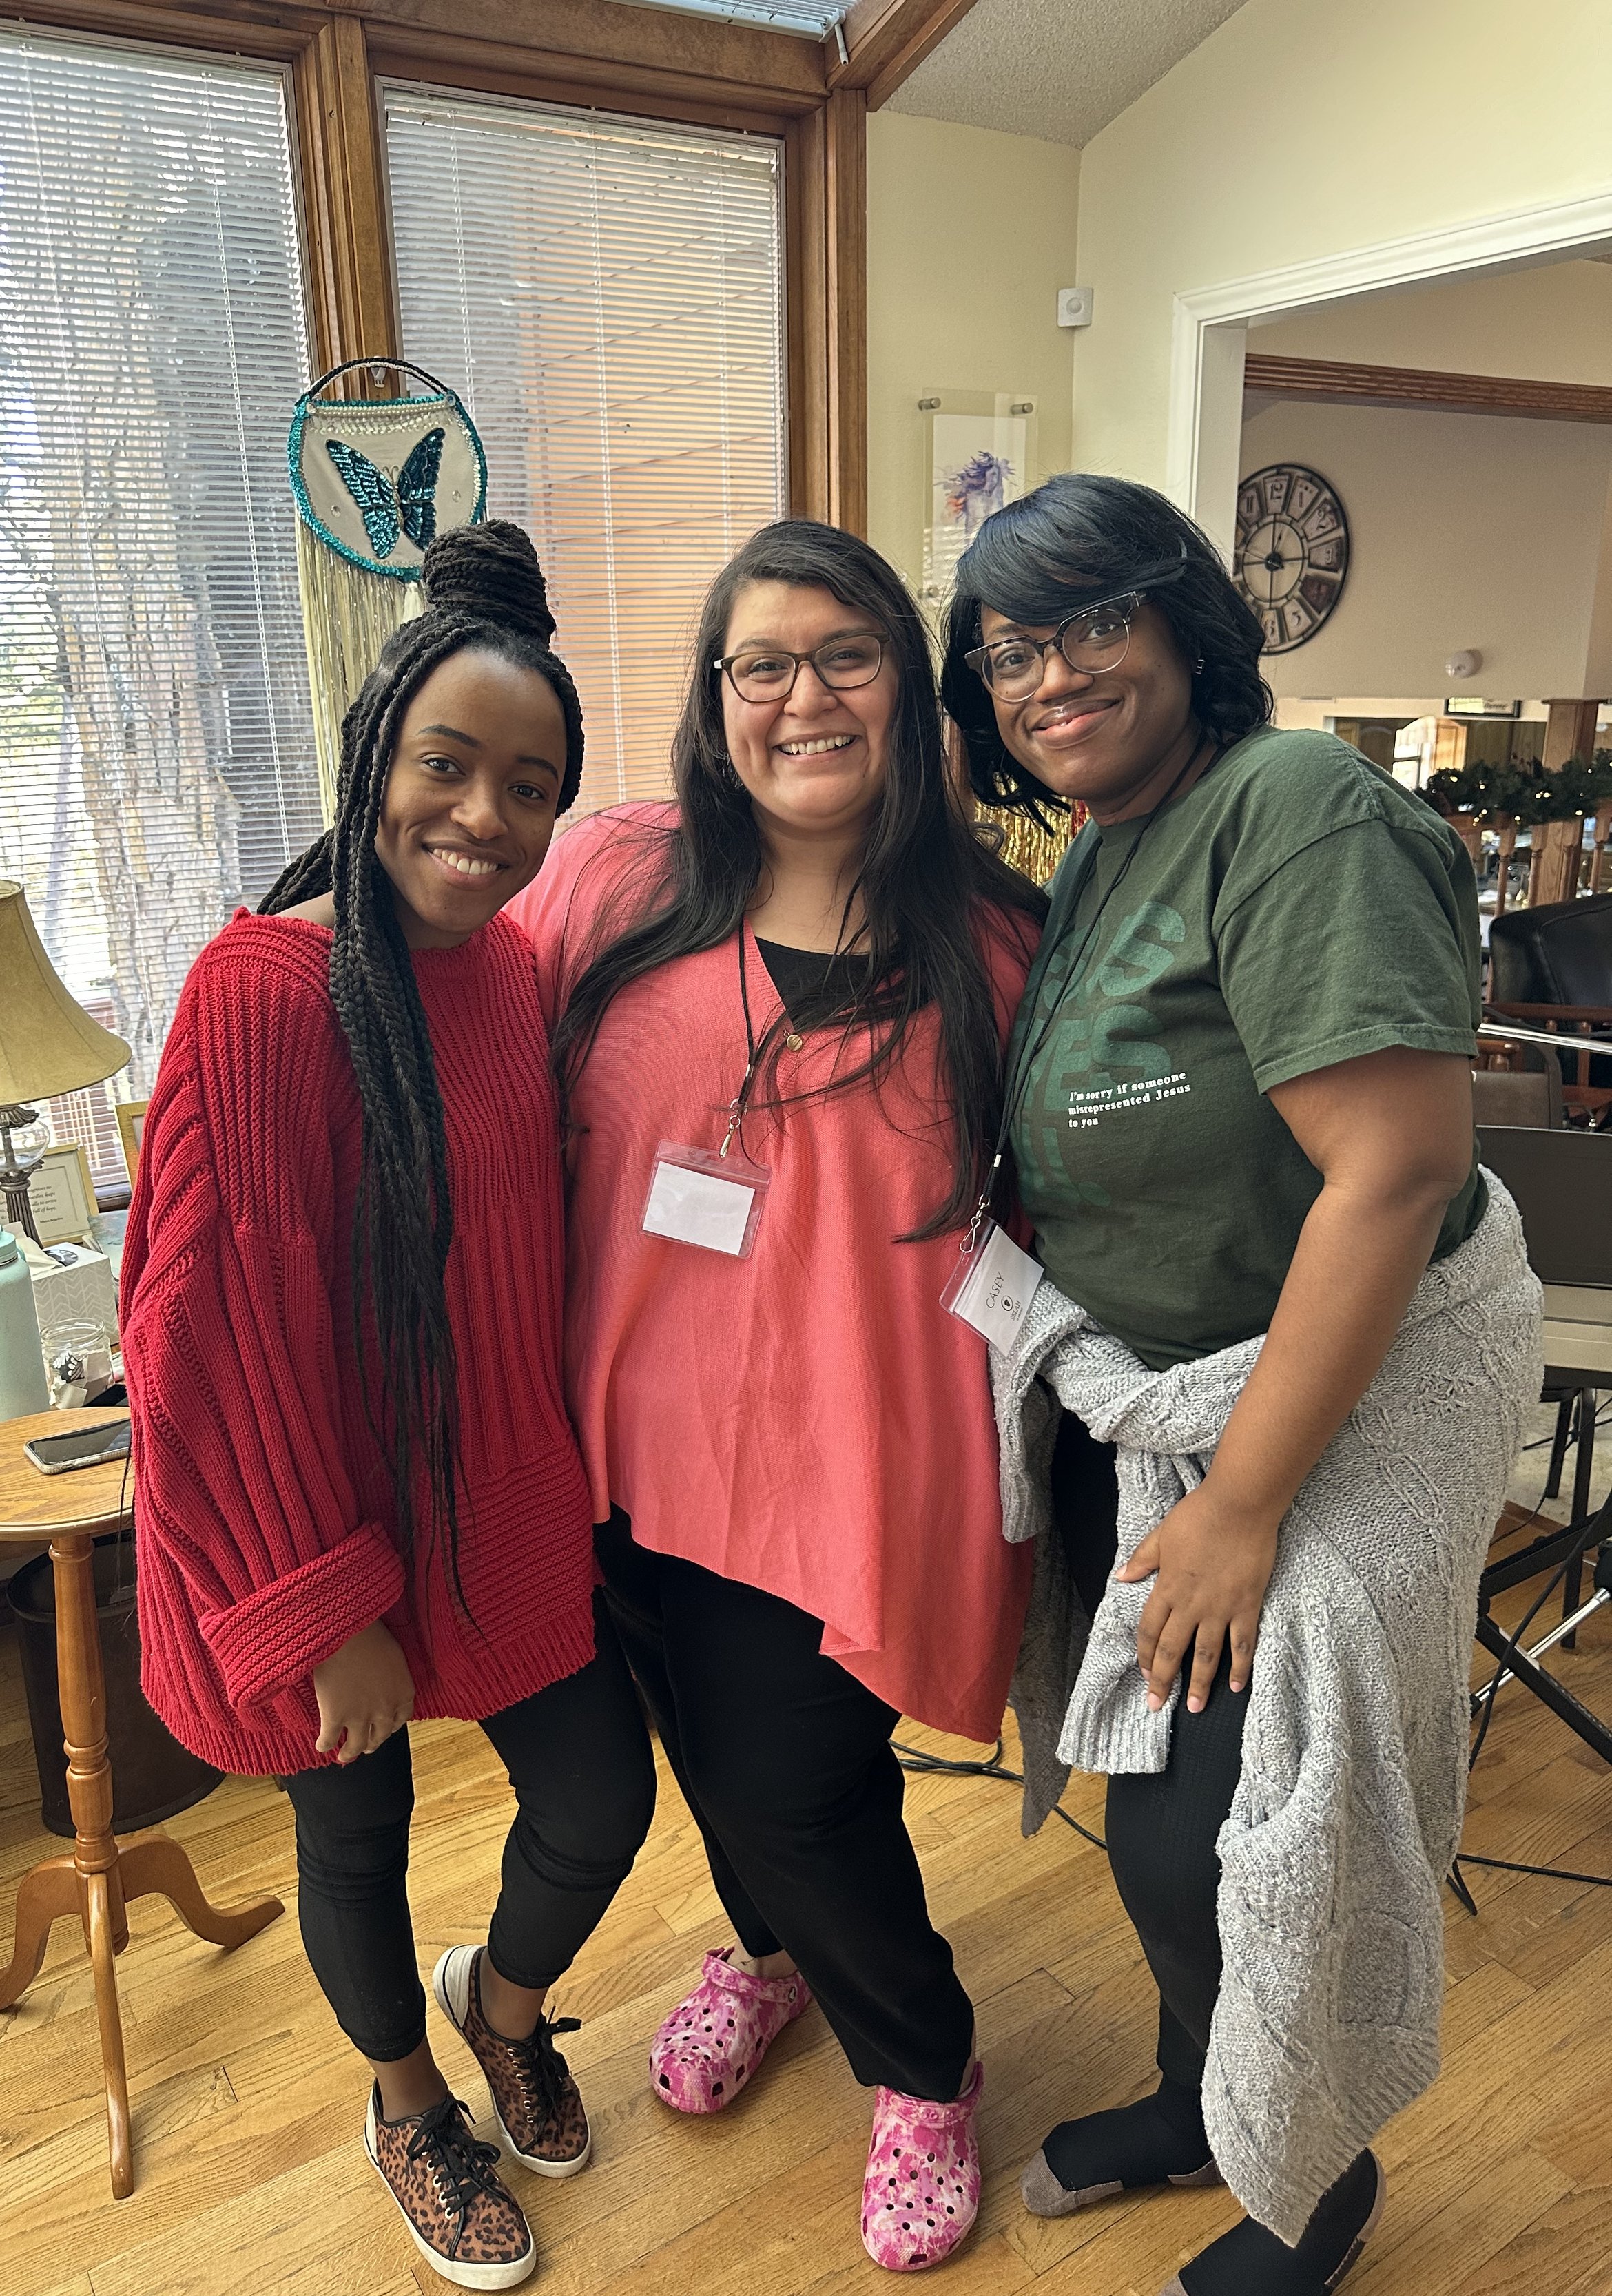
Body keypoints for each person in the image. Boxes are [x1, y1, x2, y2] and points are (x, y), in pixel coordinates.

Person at [939, 472, 1543, 2296]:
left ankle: (1309, 2178)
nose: (1048, 673)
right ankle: (1207, 2101)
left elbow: (1393, 1169)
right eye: (1008, 649)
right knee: (1165, 1812)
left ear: (1186, 624)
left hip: (1361, 1379)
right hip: (1213, 1381)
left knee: (1242, 1813)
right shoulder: (1112, 836)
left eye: (1088, 621)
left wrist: (1242, 1505)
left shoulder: (1289, 805)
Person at [120, 523, 658, 2292]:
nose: (484, 817)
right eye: (449, 765)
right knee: (350, 1831)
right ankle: (406, 2096)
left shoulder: (506, 971)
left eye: (529, 785)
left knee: (596, 1801)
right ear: (374, 757)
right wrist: (318, 1605)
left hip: (499, 1489)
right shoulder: (261, 987)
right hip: (329, 1521)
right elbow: (220, 1327)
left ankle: (495, 2007)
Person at [510, 518, 1044, 2273]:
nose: (800, 695)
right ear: (715, 696)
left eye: (844, 654)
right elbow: (446, 998)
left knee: (802, 1782)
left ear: (909, 685)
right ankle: (768, 1952)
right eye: (761, 663)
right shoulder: (615, 876)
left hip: (843, 1464)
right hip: (614, 1440)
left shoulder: (993, 949)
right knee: (704, 1756)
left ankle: (922, 2057)